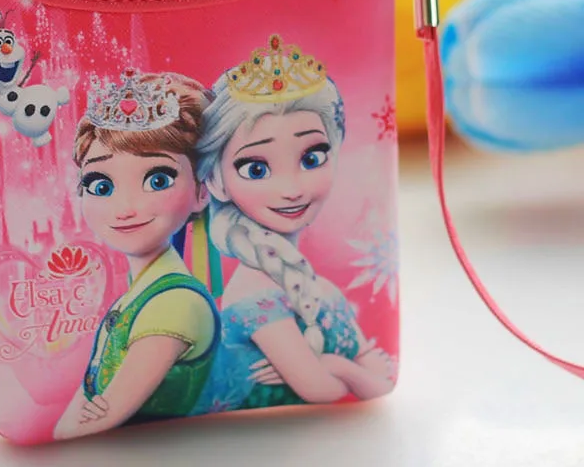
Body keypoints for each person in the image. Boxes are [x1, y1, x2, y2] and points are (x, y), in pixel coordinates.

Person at [193, 35, 393, 413]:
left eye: (312, 158)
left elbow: (379, 372)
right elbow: (324, 390)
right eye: (256, 169)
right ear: (216, 181)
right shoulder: (254, 294)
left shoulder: (317, 286)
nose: (291, 189)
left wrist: (337, 368)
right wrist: (338, 367)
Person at [54, 70, 219, 439]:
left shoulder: (174, 302)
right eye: (101, 185)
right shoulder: (142, 293)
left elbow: (96, 420)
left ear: (202, 191)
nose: (125, 208)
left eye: (158, 179)